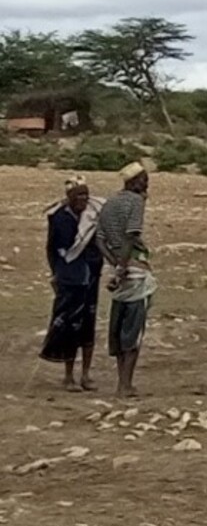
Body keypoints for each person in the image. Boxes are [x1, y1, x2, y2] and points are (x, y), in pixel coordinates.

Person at [97, 162, 155, 397]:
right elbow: (132, 235)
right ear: (134, 182)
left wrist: (114, 264)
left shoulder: (109, 203)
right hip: (135, 270)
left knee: (120, 327)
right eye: (144, 180)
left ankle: (122, 381)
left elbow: (99, 239)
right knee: (133, 329)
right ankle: (125, 385)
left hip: (118, 269)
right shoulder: (135, 202)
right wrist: (123, 266)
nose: (147, 184)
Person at [40, 177, 103, 391]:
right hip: (70, 278)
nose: (83, 199)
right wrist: (56, 274)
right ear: (69, 198)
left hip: (91, 276)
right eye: (78, 195)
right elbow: (52, 249)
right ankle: (68, 376)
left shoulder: (92, 216)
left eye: (85, 194)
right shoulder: (59, 218)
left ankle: (86, 375)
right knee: (70, 326)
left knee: (88, 325)